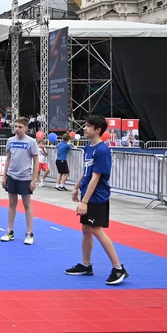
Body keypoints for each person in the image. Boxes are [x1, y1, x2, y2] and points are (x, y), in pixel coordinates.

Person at [66, 115, 129, 285]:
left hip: (97, 196)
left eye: (87, 126)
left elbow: (96, 177)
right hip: (87, 192)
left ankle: (118, 268)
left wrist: (84, 201)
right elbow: (87, 172)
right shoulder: (88, 148)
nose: (84, 129)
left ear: (97, 129)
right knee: (86, 229)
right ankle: (86, 264)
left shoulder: (102, 150)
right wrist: (77, 187)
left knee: (96, 229)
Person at [0, 117, 39, 244]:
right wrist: (4, 176)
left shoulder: (31, 142)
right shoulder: (10, 141)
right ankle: (10, 231)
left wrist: (34, 179)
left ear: (26, 128)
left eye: (20, 127)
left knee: (27, 204)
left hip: (25, 177)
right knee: (12, 203)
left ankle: (29, 233)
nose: (17, 129)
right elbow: (8, 159)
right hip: (11, 176)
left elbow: (36, 160)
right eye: (15, 126)